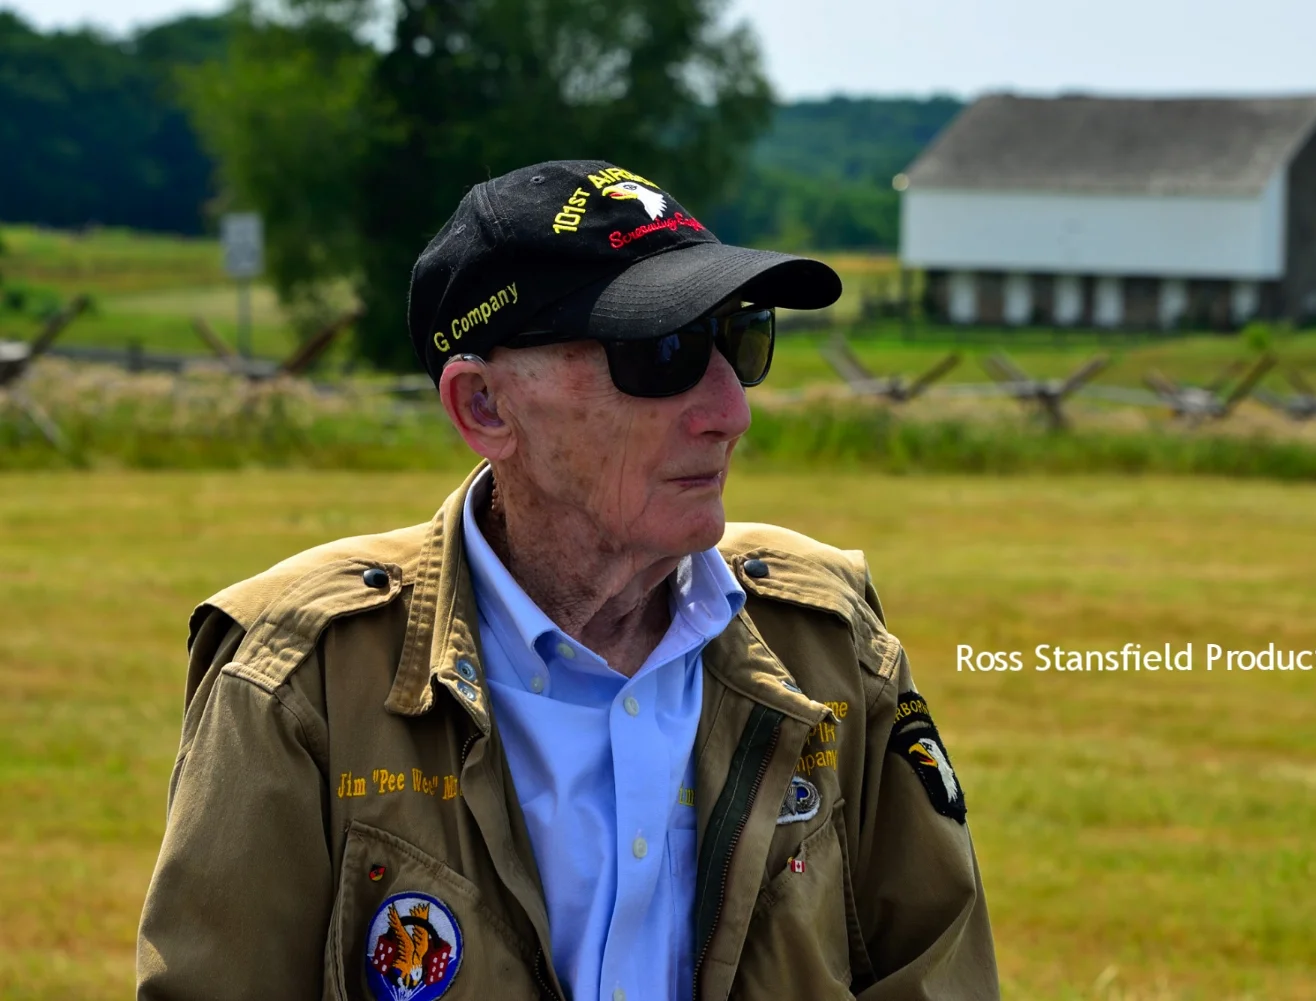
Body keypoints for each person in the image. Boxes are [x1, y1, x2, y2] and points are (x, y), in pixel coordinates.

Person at [137, 160, 999, 1001]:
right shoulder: (301, 678)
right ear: (484, 407)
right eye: (662, 352)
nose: (731, 412)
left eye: (742, 339)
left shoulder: (829, 638)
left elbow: (937, 969)